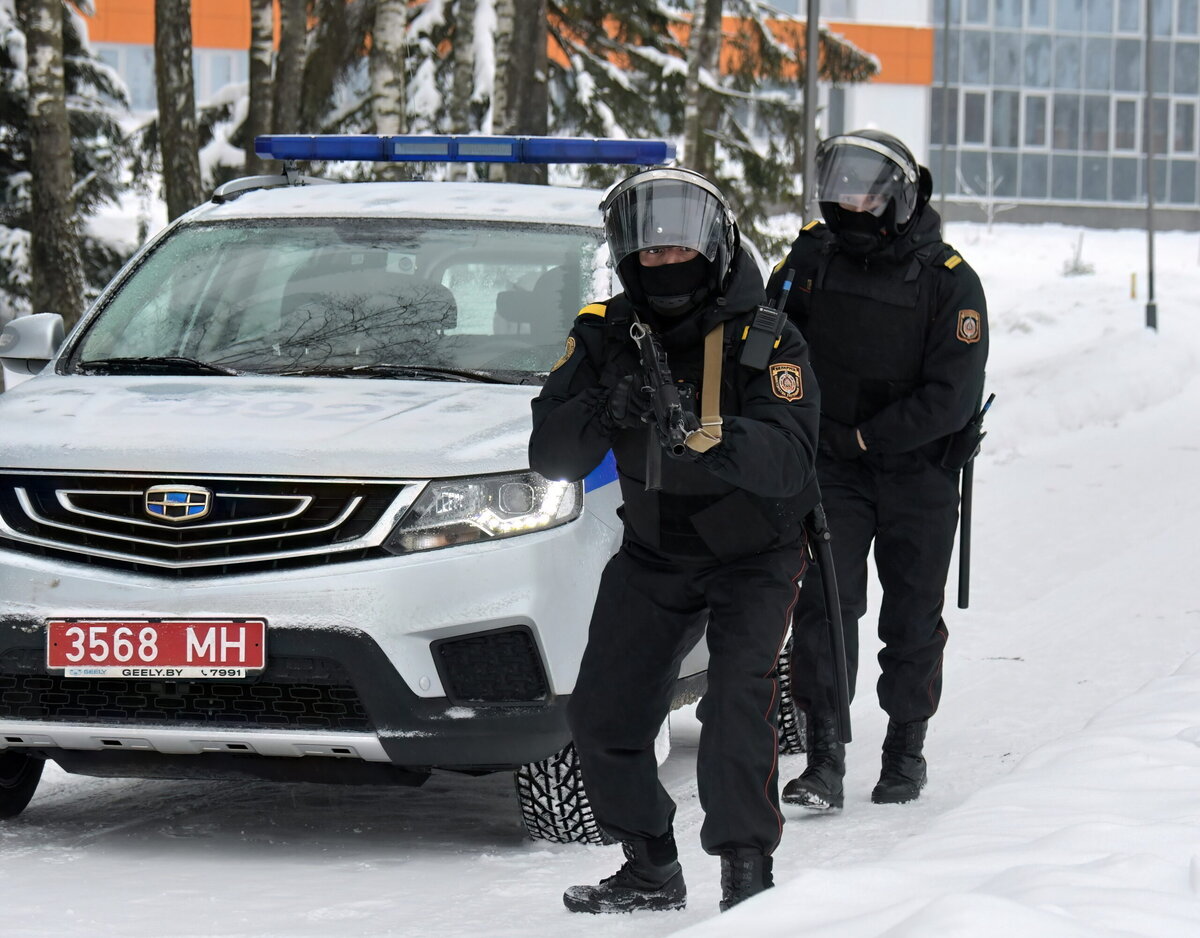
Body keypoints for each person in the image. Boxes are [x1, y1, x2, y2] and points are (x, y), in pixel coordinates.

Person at [529, 167, 821, 913]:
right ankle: (650, 866)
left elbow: (790, 461)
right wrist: (604, 406)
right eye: (648, 252)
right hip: (656, 549)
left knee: (733, 706)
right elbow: (551, 454)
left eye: (677, 249)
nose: (663, 263)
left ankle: (747, 879)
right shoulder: (603, 334)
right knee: (601, 714)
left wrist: (708, 434)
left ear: (713, 247)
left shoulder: (768, 337)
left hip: (754, 552)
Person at [766, 130, 988, 811]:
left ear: (895, 195)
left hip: (918, 473)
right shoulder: (812, 259)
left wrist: (866, 436)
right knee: (826, 607)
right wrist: (795, 420)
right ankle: (825, 759)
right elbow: (767, 341)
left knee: (913, 615)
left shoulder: (950, 281)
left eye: (863, 189)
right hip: (833, 465)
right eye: (840, 187)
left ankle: (905, 749)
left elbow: (952, 397)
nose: (850, 203)